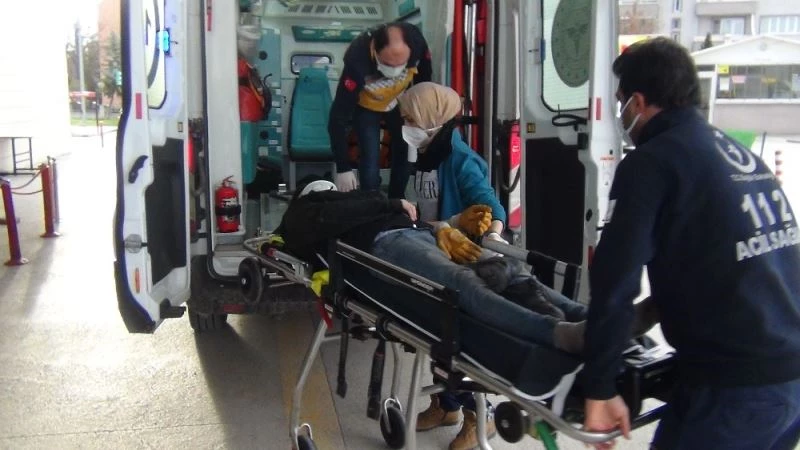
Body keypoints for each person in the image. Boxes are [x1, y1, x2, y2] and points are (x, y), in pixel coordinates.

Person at [581, 37, 800, 450]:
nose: (621, 113)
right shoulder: (736, 155)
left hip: (734, 389)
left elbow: (615, 282)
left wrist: (599, 387)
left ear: (638, 102)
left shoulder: (653, 162)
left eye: (621, 102)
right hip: (788, 376)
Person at [397, 81, 507, 448]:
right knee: (436, 338)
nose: (405, 125)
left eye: (410, 118)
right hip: (434, 258)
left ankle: (481, 416)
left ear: (432, 118)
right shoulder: (426, 154)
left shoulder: (460, 159)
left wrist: (492, 234)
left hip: (460, 263)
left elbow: (490, 205)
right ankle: (446, 406)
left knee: (462, 345)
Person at [328, 22, 432, 198]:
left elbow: (424, 81)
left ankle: (398, 200)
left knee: (406, 149)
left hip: (399, 99)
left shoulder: (416, 43)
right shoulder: (356, 59)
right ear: (374, 49)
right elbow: (337, 118)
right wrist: (343, 167)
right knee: (369, 156)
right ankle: (371, 201)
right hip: (367, 105)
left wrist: (419, 116)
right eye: (388, 64)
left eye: (401, 64)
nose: (394, 70)